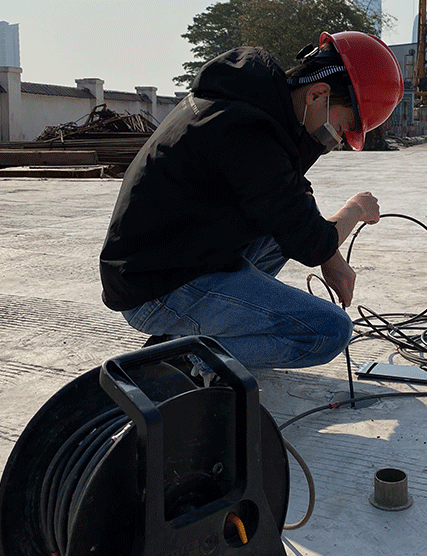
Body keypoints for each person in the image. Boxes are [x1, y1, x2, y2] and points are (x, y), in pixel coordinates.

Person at [99, 31, 402, 375]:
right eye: (341, 127)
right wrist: (356, 209)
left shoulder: (245, 104)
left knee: (279, 232)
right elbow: (310, 239)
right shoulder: (247, 131)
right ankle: (180, 360)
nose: (335, 140)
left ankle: (183, 336)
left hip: (169, 259)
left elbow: (293, 206)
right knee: (328, 331)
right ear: (318, 94)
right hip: (156, 289)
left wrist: (328, 255)